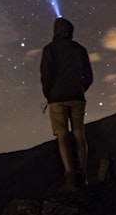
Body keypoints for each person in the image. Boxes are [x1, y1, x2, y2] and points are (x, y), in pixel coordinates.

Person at [40, 16, 93, 190]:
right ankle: (82, 173)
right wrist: (79, 89)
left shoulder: (49, 49)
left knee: (62, 135)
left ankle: (70, 175)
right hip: (77, 96)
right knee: (79, 133)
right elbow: (89, 76)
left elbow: (46, 75)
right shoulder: (80, 49)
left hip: (56, 98)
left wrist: (49, 94)